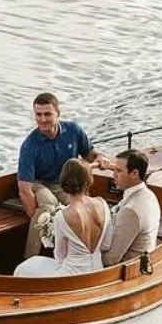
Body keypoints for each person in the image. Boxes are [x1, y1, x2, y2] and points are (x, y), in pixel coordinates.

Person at [17, 92, 103, 258]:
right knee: (48, 206)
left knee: (84, 206)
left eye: (47, 114)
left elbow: (91, 154)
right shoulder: (29, 145)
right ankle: (29, 258)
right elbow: (24, 189)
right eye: (38, 115)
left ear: (58, 113)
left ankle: (89, 254)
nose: (42, 119)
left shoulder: (73, 130)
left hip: (63, 184)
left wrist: (100, 157)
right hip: (38, 183)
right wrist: (40, 223)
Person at [14, 158, 110, 278]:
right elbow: (106, 244)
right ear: (88, 181)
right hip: (97, 269)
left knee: (23, 268)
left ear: (63, 182)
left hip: (72, 275)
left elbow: (59, 256)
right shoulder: (103, 204)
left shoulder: (63, 216)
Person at [101, 149, 161, 266]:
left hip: (126, 271)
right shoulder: (148, 194)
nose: (113, 175)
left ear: (134, 174)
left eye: (118, 171)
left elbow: (110, 260)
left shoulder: (131, 211)